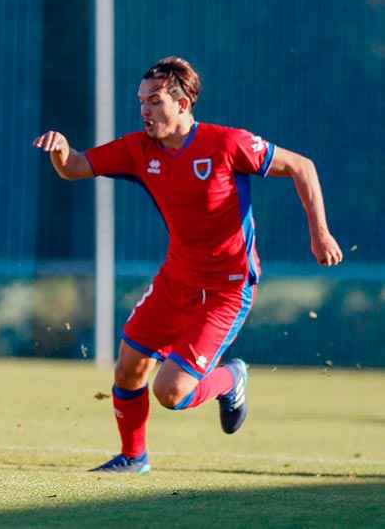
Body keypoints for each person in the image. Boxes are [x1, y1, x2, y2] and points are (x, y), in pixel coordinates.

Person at [33, 56, 342, 474]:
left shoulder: (227, 144)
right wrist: (61, 148)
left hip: (227, 290)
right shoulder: (139, 150)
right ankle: (133, 457)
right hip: (176, 281)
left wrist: (319, 233)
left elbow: (301, 166)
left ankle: (231, 379)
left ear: (183, 104)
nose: (144, 110)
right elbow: (74, 167)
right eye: (141, 101)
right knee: (128, 370)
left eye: (155, 101)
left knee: (171, 393)